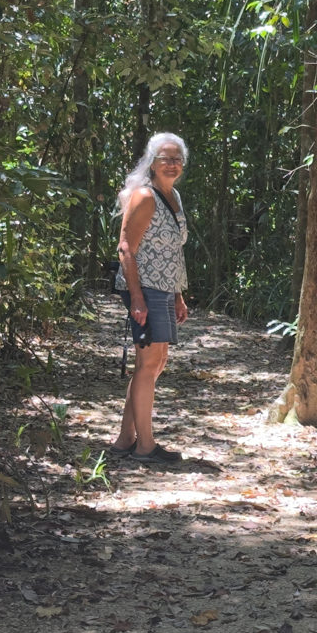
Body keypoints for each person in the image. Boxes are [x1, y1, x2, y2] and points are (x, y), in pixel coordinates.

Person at [109, 132, 189, 464]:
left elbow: (172, 251)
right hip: (145, 288)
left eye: (177, 159)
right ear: (152, 163)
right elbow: (126, 248)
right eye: (165, 159)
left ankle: (126, 439)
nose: (171, 164)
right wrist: (138, 298)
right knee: (148, 365)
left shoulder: (173, 197)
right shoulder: (145, 196)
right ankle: (145, 446)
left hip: (164, 289)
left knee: (155, 364)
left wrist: (178, 295)